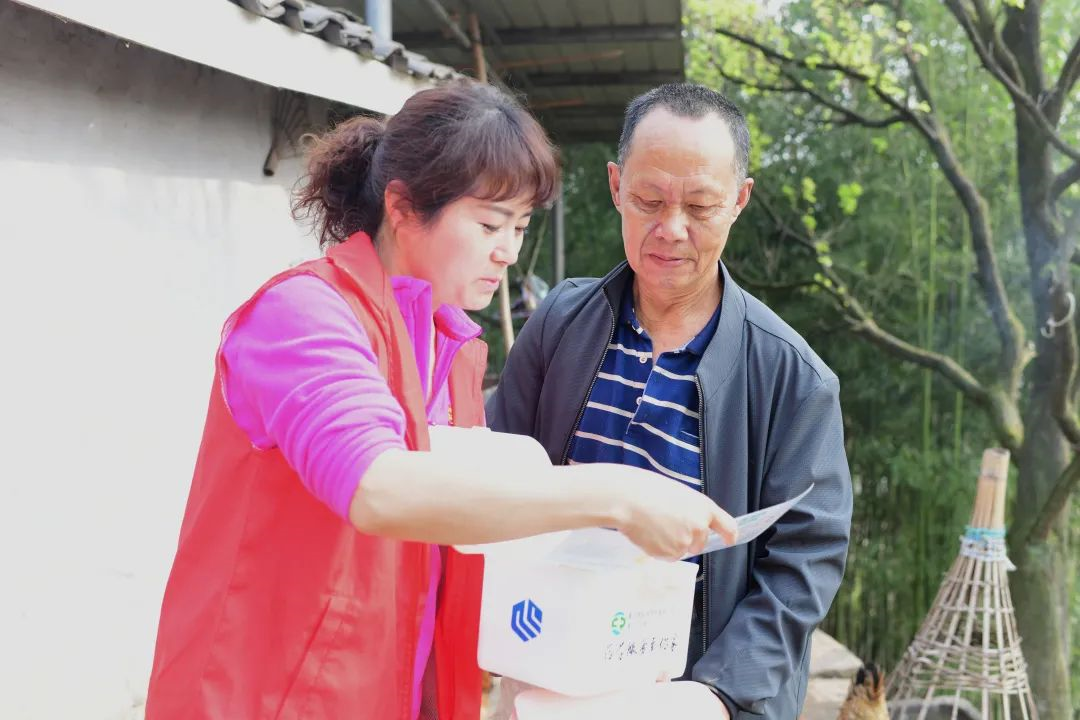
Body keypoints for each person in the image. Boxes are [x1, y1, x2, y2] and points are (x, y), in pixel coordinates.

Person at [144, 80, 737, 720]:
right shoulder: (304, 315)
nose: (508, 251)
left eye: (521, 226)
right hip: (262, 697)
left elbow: (469, 537)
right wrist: (616, 493)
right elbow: (377, 486)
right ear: (403, 207)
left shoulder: (451, 350)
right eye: (489, 224)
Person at [488, 82, 853, 719]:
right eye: (649, 200)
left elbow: (805, 562)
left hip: (689, 696)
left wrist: (713, 694)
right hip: (544, 670)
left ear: (739, 201)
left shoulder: (794, 379)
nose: (671, 229)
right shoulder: (559, 323)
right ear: (615, 185)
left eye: (701, 205)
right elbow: (495, 477)